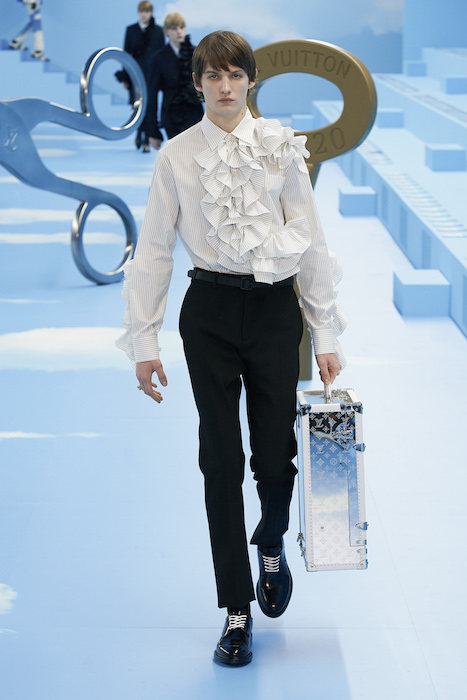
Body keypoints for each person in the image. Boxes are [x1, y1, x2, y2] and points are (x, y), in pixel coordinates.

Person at [116, 30, 345, 667]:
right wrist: (143, 340)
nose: (224, 86)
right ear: (197, 84)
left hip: (274, 312)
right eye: (213, 76)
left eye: (235, 75)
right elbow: (154, 249)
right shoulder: (176, 156)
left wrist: (326, 333)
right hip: (209, 314)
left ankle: (270, 539)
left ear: (250, 80)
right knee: (220, 460)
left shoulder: (280, 146)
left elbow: (311, 240)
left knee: (273, 453)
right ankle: (236, 608)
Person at [146, 13, 204, 149]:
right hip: (172, 119)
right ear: (166, 31)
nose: (179, 31)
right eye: (174, 28)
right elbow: (152, 95)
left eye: (181, 27)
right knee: (179, 157)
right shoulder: (158, 59)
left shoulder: (198, 54)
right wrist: (152, 131)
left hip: (196, 116)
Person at [117, 1, 164, 152]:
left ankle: (146, 138)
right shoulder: (131, 30)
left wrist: (162, 77)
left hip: (152, 75)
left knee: (150, 106)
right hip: (135, 74)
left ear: (151, 13)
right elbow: (126, 54)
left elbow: (162, 55)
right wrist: (125, 78)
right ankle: (139, 132)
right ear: (138, 12)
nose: (144, 14)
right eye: (142, 11)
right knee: (137, 105)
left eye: (147, 11)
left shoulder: (159, 31)